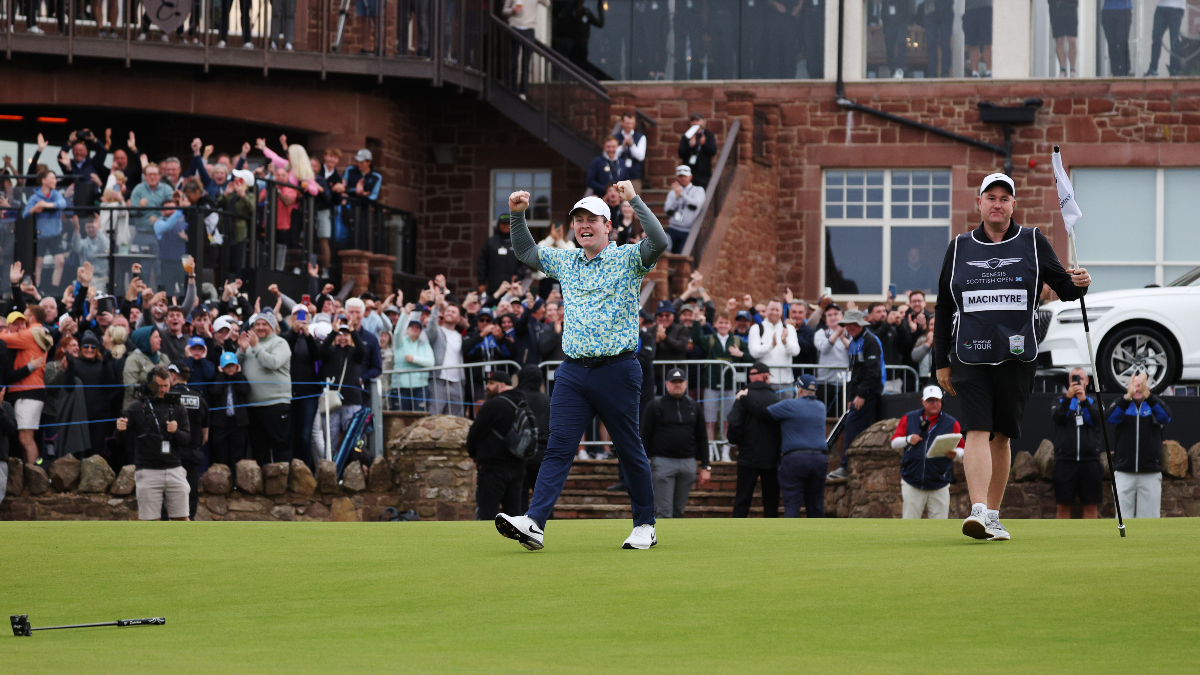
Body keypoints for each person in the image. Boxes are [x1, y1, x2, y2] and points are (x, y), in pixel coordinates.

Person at [495, 179, 669, 551]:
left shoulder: (627, 257)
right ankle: (535, 523)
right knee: (558, 446)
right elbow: (526, 251)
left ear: (608, 226)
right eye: (577, 219)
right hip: (573, 370)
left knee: (627, 446)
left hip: (617, 369)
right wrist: (518, 214)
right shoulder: (566, 260)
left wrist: (634, 200)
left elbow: (660, 241)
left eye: (592, 218)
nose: (583, 224)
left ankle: (645, 525)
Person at [935, 172, 1091, 541]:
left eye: (1005, 198)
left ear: (1013, 205)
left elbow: (1066, 288)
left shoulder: (1033, 241)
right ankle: (976, 510)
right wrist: (940, 360)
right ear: (979, 203)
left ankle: (992, 514)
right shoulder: (958, 246)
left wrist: (1080, 282)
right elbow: (944, 305)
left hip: (1017, 354)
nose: (997, 203)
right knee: (976, 428)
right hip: (969, 354)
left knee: (1002, 436)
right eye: (991, 196)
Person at [116, 367, 191, 521]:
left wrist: (175, 432)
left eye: (166, 386)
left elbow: (186, 439)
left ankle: (184, 545)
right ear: (151, 385)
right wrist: (120, 429)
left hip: (174, 468)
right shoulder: (137, 406)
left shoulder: (177, 406)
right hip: (148, 470)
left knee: (182, 519)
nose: (163, 390)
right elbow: (120, 439)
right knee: (150, 523)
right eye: (159, 386)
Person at [641, 367, 710, 519]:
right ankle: (664, 541)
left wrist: (706, 466)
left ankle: (675, 541)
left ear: (686, 383)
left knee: (679, 511)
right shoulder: (655, 405)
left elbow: (702, 437)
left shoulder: (693, 406)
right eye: (673, 382)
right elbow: (645, 435)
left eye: (680, 382)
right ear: (666, 384)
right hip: (663, 462)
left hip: (688, 463)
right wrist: (644, 462)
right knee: (664, 511)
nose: (677, 385)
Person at [827, 309, 884, 481]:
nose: (850, 327)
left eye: (853, 324)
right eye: (847, 324)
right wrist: (852, 397)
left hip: (869, 392)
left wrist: (861, 394)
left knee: (852, 427)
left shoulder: (870, 341)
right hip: (859, 394)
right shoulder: (854, 341)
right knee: (853, 427)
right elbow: (854, 372)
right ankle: (851, 466)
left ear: (860, 325)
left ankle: (845, 467)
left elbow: (872, 371)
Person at [892, 385, 964, 519]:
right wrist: (908, 439)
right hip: (912, 482)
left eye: (938, 400)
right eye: (930, 400)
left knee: (939, 529)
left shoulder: (952, 423)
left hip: (939, 483)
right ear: (923, 401)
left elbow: (962, 448)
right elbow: (894, 443)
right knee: (909, 526)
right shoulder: (909, 418)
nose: (935, 404)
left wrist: (956, 454)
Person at [466, 371, 530, 520]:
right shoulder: (523, 402)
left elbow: (475, 432)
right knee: (514, 516)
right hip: (518, 466)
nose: (487, 387)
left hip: (493, 468)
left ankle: (487, 543)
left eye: (491, 383)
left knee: (487, 514)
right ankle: (514, 543)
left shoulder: (494, 404)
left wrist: (473, 454)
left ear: (502, 386)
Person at [1107, 372, 1171, 519]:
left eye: (1140, 384)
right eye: (1134, 384)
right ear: (1128, 386)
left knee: (1149, 519)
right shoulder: (1122, 403)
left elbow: (1166, 417)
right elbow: (1110, 418)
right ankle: (1123, 543)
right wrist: (1126, 398)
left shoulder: (1154, 404)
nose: (1137, 387)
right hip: (1124, 472)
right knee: (1122, 518)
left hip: (1150, 473)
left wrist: (1149, 396)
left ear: (1147, 386)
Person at [768, 375, 829, 517]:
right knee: (816, 507)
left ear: (800, 389)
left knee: (792, 505)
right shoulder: (821, 407)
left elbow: (765, 413)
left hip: (795, 459)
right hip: (819, 459)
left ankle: (791, 538)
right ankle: (821, 539)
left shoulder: (789, 405)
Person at [727, 361, 781, 518]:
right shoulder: (776, 398)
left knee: (742, 500)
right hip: (772, 457)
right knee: (771, 502)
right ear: (766, 376)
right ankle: (772, 535)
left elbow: (734, 424)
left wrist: (735, 440)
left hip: (748, 455)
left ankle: (737, 534)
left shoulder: (743, 396)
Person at [238, 311, 293, 465]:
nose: (260, 327)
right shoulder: (249, 345)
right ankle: (263, 483)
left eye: (265, 324)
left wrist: (255, 346)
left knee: (279, 445)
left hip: (275, 403)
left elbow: (272, 363)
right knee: (258, 447)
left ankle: (283, 483)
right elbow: (234, 367)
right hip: (253, 405)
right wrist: (242, 350)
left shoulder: (280, 343)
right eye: (257, 324)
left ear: (273, 327)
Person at [1051, 368, 1103, 519]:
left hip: (1090, 461)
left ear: (1086, 381)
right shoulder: (1059, 400)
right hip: (1065, 461)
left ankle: (1090, 540)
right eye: (1074, 378)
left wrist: (1084, 400)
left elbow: (1096, 421)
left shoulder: (1094, 401)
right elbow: (1058, 418)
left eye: (1081, 378)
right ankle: (1061, 540)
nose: (1078, 382)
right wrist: (1069, 398)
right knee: (1062, 505)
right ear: (1069, 381)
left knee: (1091, 504)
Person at [169, 362, 208, 521]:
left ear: (173, 376)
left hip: (169, 454)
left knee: (168, 492)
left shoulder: (166, 397)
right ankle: (189, 521)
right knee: (190, 491)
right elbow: (205, 436)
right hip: (191, 454)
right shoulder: (199, 398)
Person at [321, 322, 366, 453]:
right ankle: (328, 467)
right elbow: (322, 351)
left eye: (346, 335)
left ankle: (358, 461)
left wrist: (353, 332)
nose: (342, 337)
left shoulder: (355, 353)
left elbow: (362, 350)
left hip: (352, 401)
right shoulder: (329, 353)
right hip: (332, 402)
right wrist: (333, 332)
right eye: (340, 334)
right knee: (330, 439)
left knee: (357, 437)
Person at [22, 169, 68, 289]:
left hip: (55, 234)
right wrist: (35, 208)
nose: (55, 181)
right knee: (39, 262)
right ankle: (37, 287)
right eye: (52, 178)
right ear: (44, 181)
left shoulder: (56, 194)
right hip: (40, 235)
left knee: (60, 261)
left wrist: (47, 205)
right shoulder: (35, 197)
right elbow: (25, 213)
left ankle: (54, 288)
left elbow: (62, 203)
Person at [748, 300, 801, 398]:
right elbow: (753, 352)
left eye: (777, 310)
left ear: (781, 312)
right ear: (767, 310)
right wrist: (771, 345)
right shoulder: (756, 328)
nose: (774, 312)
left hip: (786, 382)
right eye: (772, 309)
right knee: (764, 412)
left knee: (785, 413)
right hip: (764, 382)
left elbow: (796, 351)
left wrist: (785, 342)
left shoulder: (790, 328)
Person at [515, 364, 550, 513]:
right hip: (543, 454)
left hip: (519, 454)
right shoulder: (548, 400)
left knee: (518, 498)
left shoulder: (515, 399)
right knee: (543, 498)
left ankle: (518, 527)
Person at [209, 352, 250, 471]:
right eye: (227, 366)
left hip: (238, 423)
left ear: (237, 366)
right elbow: (215, 391)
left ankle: (236, 481)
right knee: (221, 453)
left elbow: (244, 390)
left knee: (237, 453)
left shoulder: (241, 378)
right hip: (221, 423)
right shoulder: (218, 378)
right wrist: (221, 376)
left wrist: (237, 375)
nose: (230, 368)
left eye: (232, 365)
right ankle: (223, 481)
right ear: (221, 368)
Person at [502, 0, 549, 96]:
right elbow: (504, 10)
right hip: (514, 27)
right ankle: (511, 89)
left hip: (529, 29)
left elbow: (547, 3)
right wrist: (512, 10)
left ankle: (523, 91)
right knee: (513, 61)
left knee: (525, 63)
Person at [477, 214, 526, 299]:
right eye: (503, 224)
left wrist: (518, 276)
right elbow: (482, 263)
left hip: (512, 287)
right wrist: (481, 282)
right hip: (493, 287)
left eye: (508, 224)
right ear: (499, 225)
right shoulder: (490, 243)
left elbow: (525, 262)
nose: (505, 226)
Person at [392, 316, 435, 412]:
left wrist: (414, 359)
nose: (414, 329)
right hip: (401, 386)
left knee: (419, 415)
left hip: (420, 386)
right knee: (402, 415)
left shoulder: (424, 344)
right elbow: (397, 332)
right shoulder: (400, 341)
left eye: (417, 327)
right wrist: (404, 314)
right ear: (407, 329)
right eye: (412, 327)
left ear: (420, 331)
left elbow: (431, 362)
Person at [662, 165, 706, 254]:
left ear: (691, 177)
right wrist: (677, 199)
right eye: (680, 176)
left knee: (682, 256)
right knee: (667, 254)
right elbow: (668, 210)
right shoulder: (672, 192)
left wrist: (682, 195)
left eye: (685, 176)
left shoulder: (698, 190)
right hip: (673, 228)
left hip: (687, 230)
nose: (683, 179)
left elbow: (695, 204)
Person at [677, 113, 717, 189]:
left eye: (697, 120)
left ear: (703, 121)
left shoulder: (708, 135)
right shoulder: (687, 136)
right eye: (693, 121)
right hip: (689, 172)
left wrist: (704, 144)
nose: (695, 123)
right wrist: (691, 146)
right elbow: (681, 153)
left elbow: (713, 151)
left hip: (703, 172)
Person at [1145, 0, 1184, 76]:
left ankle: (1174, 69)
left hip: (1177, 6)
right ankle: (1153, 68)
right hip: (1161, 6)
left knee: (1174, 39)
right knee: (1156, 37)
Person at [613, 111, 647, 193]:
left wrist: (632, 145)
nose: (629, 126)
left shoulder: (640, 137)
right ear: (622, 123)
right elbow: (613, 156)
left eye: (631, 123)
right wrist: (623, 146)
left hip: (634, 177)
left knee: (633, 203)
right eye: (627, 123)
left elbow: (640, 157)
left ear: (635, 124)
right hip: (618, 176)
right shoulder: (616, 137)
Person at [882, 0, 913, 78]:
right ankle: (892, 70)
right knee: (889, 47)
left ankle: (900, 69)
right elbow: (884, 8)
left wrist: (908, 20)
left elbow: (908, 7)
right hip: (888, 23)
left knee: (901, 43)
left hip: (901, 21)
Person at [1101, 0, 1131, 76]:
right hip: (1107, 10)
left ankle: (1125, 69)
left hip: (1124, 10)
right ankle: (1115, 70)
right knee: (1111, 43)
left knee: (1122, 40)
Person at [1048, 0, 1078, 77]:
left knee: (1072, 40)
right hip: (1056, 6)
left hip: (1071, 7)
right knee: (1059, 40)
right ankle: (1062, 69)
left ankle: (1073, 69)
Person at [962, 0, 992, 77]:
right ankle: (975, 72)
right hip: (969, 9)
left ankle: (990, 71)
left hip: (986, 8)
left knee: (988, 42)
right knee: (972, 44)